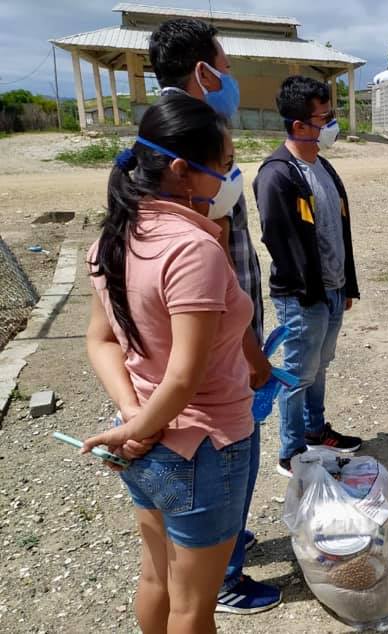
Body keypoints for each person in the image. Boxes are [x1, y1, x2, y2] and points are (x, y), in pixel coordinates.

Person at [81, 96, 254, 633]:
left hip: (146, 442)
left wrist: (132, 418)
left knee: (156, 578)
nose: (228, 178)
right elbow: (184, 377)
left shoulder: (114, 235)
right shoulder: (191, 249)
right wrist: (137, 427)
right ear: (181, 169)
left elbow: (101, 340)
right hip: (204, 447)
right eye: (223, 165)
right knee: (193, 607)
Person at [147, 18, 281, 613]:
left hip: (205, 340)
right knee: (224, 452)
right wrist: (250, 352)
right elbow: (212, 267)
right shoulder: (190, 152)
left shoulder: (162, 137)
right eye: (225, 69)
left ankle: (220, 543)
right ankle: (222, 570)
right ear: (202, 72)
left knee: (158, 564)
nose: (230, 80)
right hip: (216, 345)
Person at [253, 75, 362, 477]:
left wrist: (345, 285)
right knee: (298, 375)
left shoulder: (323, 167)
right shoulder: (277, 175)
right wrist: (309, 292)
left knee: (319, 367)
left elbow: (340, 231)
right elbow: (279, 242)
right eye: (324, 117)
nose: (332, 123)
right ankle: (291, 451)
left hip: (332, 291)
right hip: (302, 297)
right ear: (299, 125)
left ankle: (316, 431)